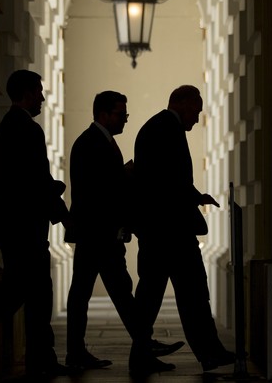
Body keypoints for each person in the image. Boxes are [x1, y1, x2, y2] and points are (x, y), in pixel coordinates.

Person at [64, 91, 183, 375]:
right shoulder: (91, 143)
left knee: (106, 292)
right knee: (109, 292)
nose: (125, 120)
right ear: (103, 114)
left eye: (125, 114)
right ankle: (142, 343)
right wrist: (124, 176)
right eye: (121, 114)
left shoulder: (97, 142)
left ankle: (88, 351)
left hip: (97, 234)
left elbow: (102, 186)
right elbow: (98, 191)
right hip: (99, 234)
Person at [132, 85, 236, 372]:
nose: (196, 118)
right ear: (182, 103)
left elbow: (164, 177)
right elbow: (168, 180)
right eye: (196, 110)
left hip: (159, 231)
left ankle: (142, 355)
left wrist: (194, 196)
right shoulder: (167, 129)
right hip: (171, 232)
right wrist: (190, 198)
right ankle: (209, 352)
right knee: (193, 294)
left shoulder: (157, 127)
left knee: (153, 296)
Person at [0, 70, 70, 379]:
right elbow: (36, 181)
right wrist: (64, 214)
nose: (43, 99)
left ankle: (39, 358)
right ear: (27, 93)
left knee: (33, 292)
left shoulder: (8, 126)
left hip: (12, 226)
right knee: (35, 294)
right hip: (24, 228)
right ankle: (38, 359)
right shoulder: (28, 130)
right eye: (39, 92)